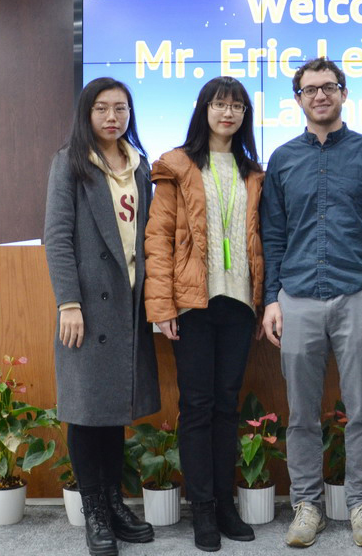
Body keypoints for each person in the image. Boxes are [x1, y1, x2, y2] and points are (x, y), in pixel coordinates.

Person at [260, 57, 362, 549]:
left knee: (361, 410)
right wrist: (271, 300)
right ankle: (307, 507)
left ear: (344, 93)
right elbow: (273, 236)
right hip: (296, 298)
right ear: (297, 99)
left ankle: (361, 505)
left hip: (359, 296)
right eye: (310, 89)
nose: (320, 95)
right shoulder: (282, 159)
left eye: (329, 86)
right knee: (301, 413)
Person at [144, 76, 264, 553]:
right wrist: (161, 306)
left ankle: (225, 504)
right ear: (204, 109)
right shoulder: (177, 165)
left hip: (239, 303)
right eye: (219, 104)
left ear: (244, 115)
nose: (227, 113)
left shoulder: (253, 172)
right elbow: (158, 238)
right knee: (196, 406)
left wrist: (263, 301)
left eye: (236, 106)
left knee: (226, 405)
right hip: (193, 304)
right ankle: (203, 509)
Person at [44, 77, 161, 556]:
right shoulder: (70, 162)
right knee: (86, 412)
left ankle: (114, 503)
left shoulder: (140, 164)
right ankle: (93, 509)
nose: (113, 117)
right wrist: (68, 303)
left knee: (114, 413)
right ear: (86, 114)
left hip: (129, 306)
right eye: (102, 108)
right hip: (88, 307)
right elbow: (57, 237)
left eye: (121, 108)